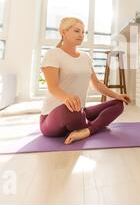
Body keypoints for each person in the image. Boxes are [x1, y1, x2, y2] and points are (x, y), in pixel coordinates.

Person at [40, 17, 131, 145]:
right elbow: (52, 87)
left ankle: (87, 130)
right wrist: (67, 98)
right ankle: (86, 124)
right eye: (77, 31)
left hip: (78, 111)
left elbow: (97, 84)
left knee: (118, 104)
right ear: (63, 32)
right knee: (72, 112)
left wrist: (118, 95)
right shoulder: (53, 54)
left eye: (83, 32)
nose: (81, 35)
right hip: (53, 116)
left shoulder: (85, 57)